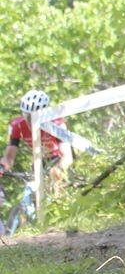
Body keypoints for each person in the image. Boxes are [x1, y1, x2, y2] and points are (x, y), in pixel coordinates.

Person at [0, 89, 74, 231]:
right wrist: (2, 167)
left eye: (33, 117)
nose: (29, 120)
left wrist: (58, 169)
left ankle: (59, 223)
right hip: (39, 160)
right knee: (31, 193)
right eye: (26, 115)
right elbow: (9, 156)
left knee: (56, 188)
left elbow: (68, 156)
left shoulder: (58, 124)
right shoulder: (17, 125)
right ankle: (27, 227)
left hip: (58, 159)